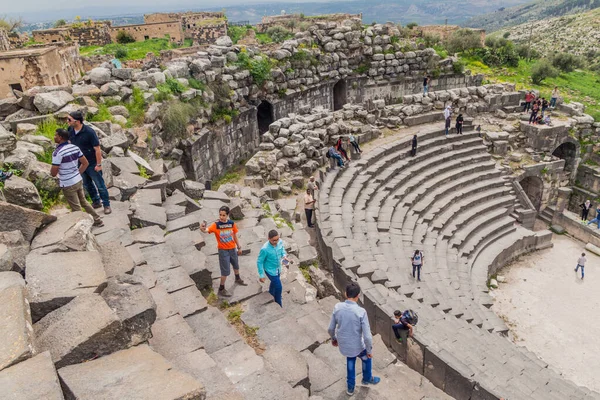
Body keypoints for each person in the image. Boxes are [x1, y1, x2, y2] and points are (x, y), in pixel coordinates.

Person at [328, 282, 380, 396]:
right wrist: (370, 350)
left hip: (344, 344)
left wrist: (334, 339)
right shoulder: (361, 312)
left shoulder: (337, 307)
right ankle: (367, 379)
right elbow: (367, 336)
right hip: (358, 345)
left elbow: (331, 328)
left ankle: (350, 388)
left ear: (346, 293)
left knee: (350, 360)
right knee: (367, 358)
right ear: (358, 296)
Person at [50, 129, 103, 227]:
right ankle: (98, 220)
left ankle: (83, 228)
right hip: (78, 180)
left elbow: (53, 173)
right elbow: (85, 163)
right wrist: (77, 173)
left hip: (68, 183)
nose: (54, 137)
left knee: (76, 208)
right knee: (84, 202)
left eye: (55, 135)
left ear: (60, 138)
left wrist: (54, 171)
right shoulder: (75, 147)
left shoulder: (57, 153)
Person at [67, 110, 111, 215]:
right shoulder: (70, 130)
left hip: (91, 162)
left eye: (69, 119)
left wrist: (99, 164)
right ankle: (96, 201)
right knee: (87, 184)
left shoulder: (89, 132)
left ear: (77, 121)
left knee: (100, 184)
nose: (67, 121)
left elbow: (97, 149)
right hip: (80, 163)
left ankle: (106, 204)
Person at [200, 206, 246, 297]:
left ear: (227, 215)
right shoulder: (216, 225)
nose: (221, 217)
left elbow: (234, 236)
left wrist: (239, 247)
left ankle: (237, 278)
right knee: (225, 271)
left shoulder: (231, 224)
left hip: (232, 248)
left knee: (236, 265)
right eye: (220, 215)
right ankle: (221, 288)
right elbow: (206, 230)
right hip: (223, 251)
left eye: (224, 215)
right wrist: (202, 228)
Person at [257, 230, 288, 307]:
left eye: (277, 239)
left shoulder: (280, 242)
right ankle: (278, 303)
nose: (276, 242)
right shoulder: (265, 249)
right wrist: (261, 274)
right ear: (268, 239)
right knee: (279, 287)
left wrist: (284, 256)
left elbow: (282, 250)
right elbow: (259, 261)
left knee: (274, 283)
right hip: (270, 270)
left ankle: (271, 293)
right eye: (274, 240)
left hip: (278, 268)